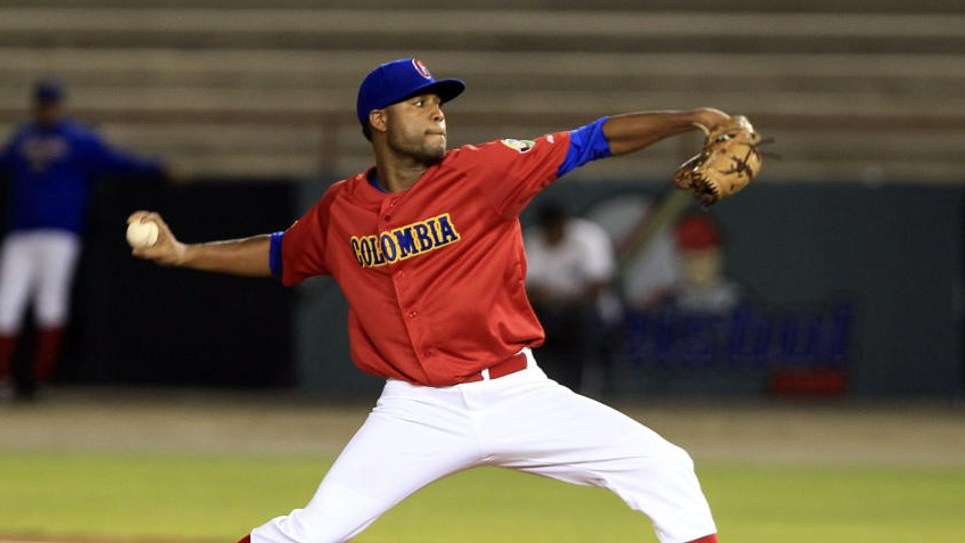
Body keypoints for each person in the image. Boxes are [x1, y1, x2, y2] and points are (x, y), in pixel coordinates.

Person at [130, 58, 730, 543]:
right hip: (416, 412)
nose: (436, 112)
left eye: (438, 102)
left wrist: (693, 118)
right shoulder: (342, 209)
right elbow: (282, 254)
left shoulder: (487, 169)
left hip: (517, 393)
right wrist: (184, 253)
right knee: (308, 533)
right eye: (418, 103)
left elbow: (593, 140)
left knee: (664, 467)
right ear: (379, 121)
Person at [0, 79, 168, 400]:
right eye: (43, 103)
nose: (48, 109)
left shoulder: (77, 140)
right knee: (6, 306)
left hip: (60, 234)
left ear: (59, 106)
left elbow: (117, 161)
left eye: (52, 103)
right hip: (21, 233)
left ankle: (39, 381)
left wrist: (156, 168)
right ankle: (4, 379)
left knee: (51, 305)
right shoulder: (22, 138)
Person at [524, 203, 616, 392]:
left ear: (566, 224)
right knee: (525, 325)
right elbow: (528, 290)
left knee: (584, 322)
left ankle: (585, 390)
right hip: (547, 311)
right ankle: (534, 390)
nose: (554, 233)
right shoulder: (533, 239)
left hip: (587, 311)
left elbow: (597, 288)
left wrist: (557, 297)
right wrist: (559, 298)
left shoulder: (588, 237)